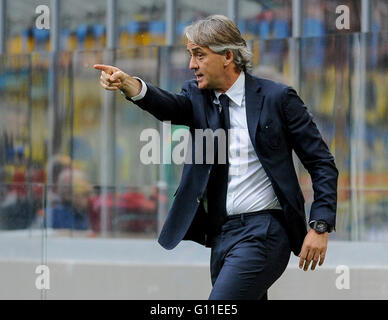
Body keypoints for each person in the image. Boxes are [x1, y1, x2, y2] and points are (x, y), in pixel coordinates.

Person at [94, 15, 338, 300]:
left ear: (228, 57)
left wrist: (319, 225)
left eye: (199, 55)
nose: (191, 65)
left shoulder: (278, 98)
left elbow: (321, 163)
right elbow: (167, 106)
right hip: (221, 236)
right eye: (190, 55)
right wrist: (130, 85)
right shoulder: (197, 98)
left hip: (266, 232)